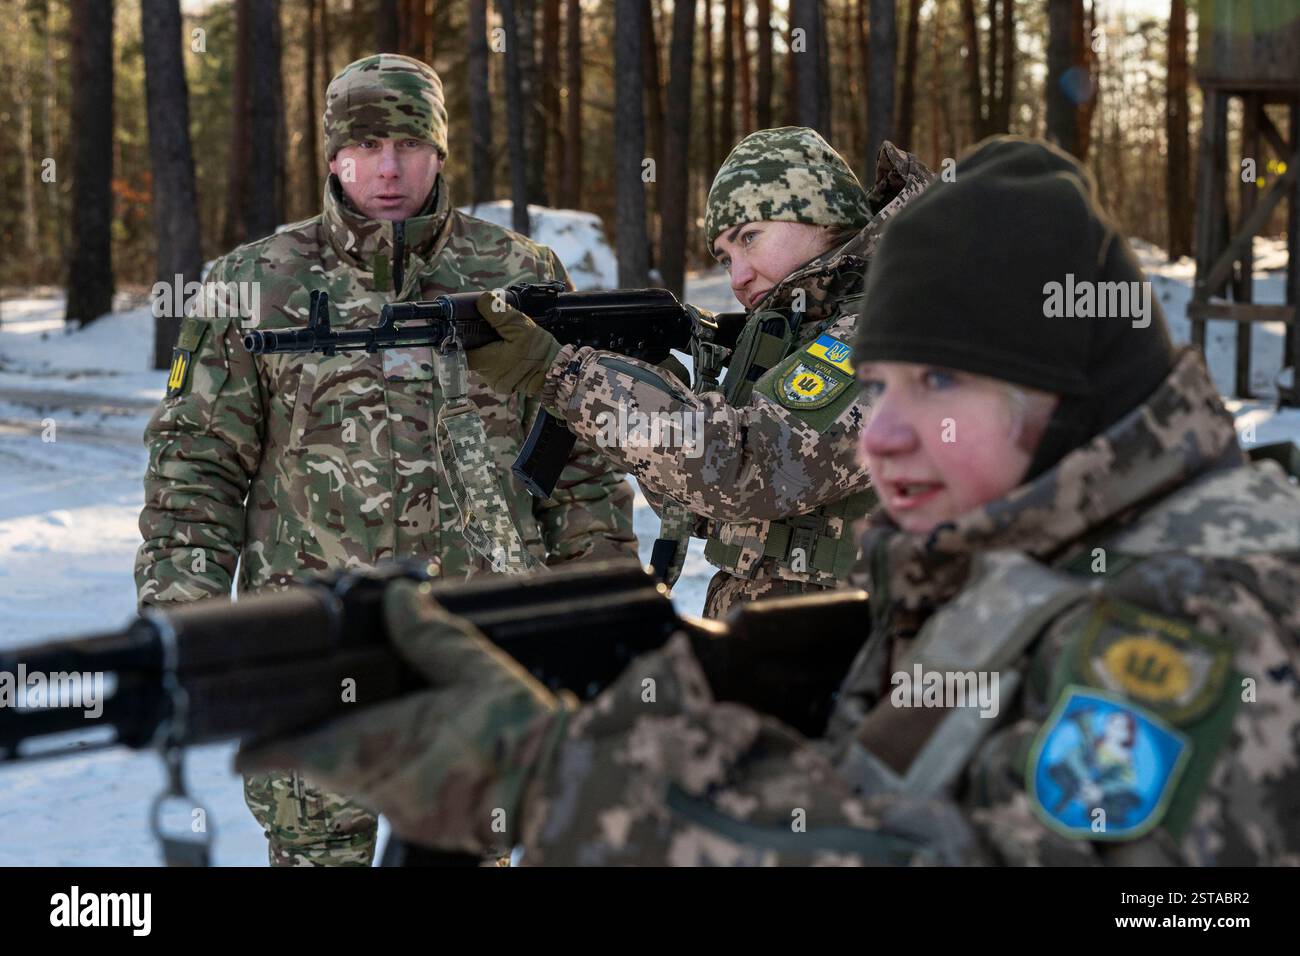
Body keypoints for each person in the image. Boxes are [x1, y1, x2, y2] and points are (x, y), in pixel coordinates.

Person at [236, 137, 1300, 865]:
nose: (879, 433)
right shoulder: (1023, 555)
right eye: (877, 384)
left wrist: (563, 773)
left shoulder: (1195, 611)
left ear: (1063, 380)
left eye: (935, 382)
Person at [135, 54, 637, 867]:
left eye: (409, 142)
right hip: (315, 647)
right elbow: (194, 472)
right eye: (367, 145)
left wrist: (601, 613)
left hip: (481, 653)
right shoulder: (252, 283)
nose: (390, 166)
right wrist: (185, 628)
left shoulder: (521, 274)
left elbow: (580, 462)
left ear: (441, 153)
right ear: (334, 156)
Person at [466, 127, 933, 617]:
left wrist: (562, 376)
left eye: (749, 238)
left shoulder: (887, 324)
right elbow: (700, 505)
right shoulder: (795, 336)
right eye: (725, 257)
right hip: (781, 650)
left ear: (822, 215)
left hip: (854, 654)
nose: (737, 277)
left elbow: (751, 468)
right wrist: (647, 381)